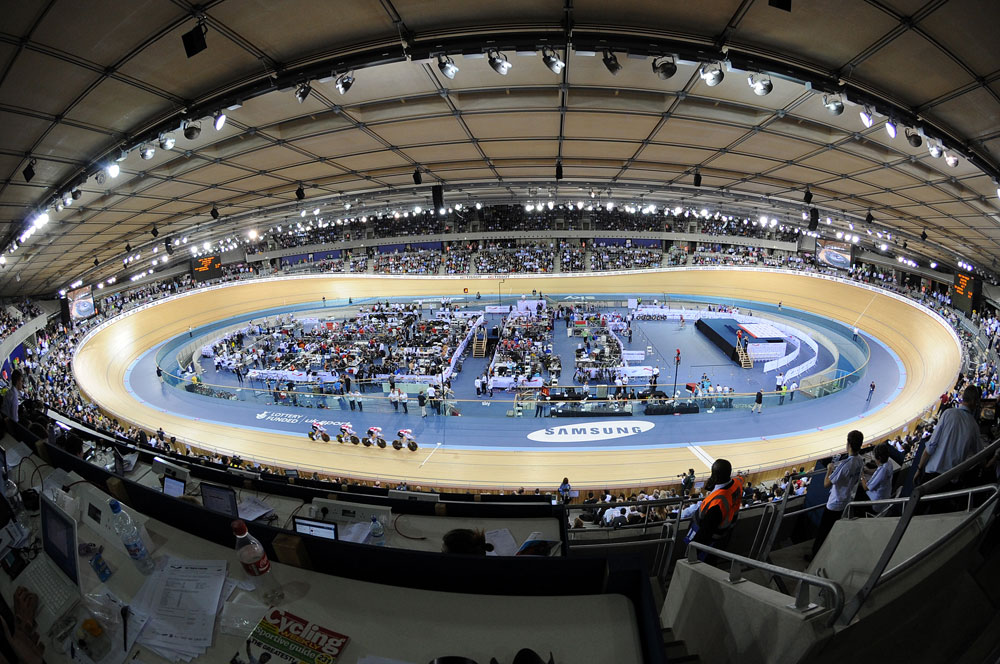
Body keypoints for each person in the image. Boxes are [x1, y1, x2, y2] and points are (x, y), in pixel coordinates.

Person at [808, 430, 865, 560]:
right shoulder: (860, 461)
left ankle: (814, 557)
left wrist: (829, 469)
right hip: (846, 501)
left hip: (834, 503)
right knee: (831, 531)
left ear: (849, 444)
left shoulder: (845, 465)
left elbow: (826, 483)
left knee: (823, 532)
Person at [915, 384, 984, 486]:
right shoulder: (974, 426)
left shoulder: (948, 413)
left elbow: (931, 446)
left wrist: (919, 469)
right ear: (974, 402)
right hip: (949, 480)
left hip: (931, 475)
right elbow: (980, 455)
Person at [684, 458, 745, 557]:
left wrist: (692, 552)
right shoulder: (737, 482)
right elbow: (741, 478)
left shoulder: (718, 502)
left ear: (714, 476)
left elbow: (705, 533)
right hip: (726, 531)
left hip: (711, 542)